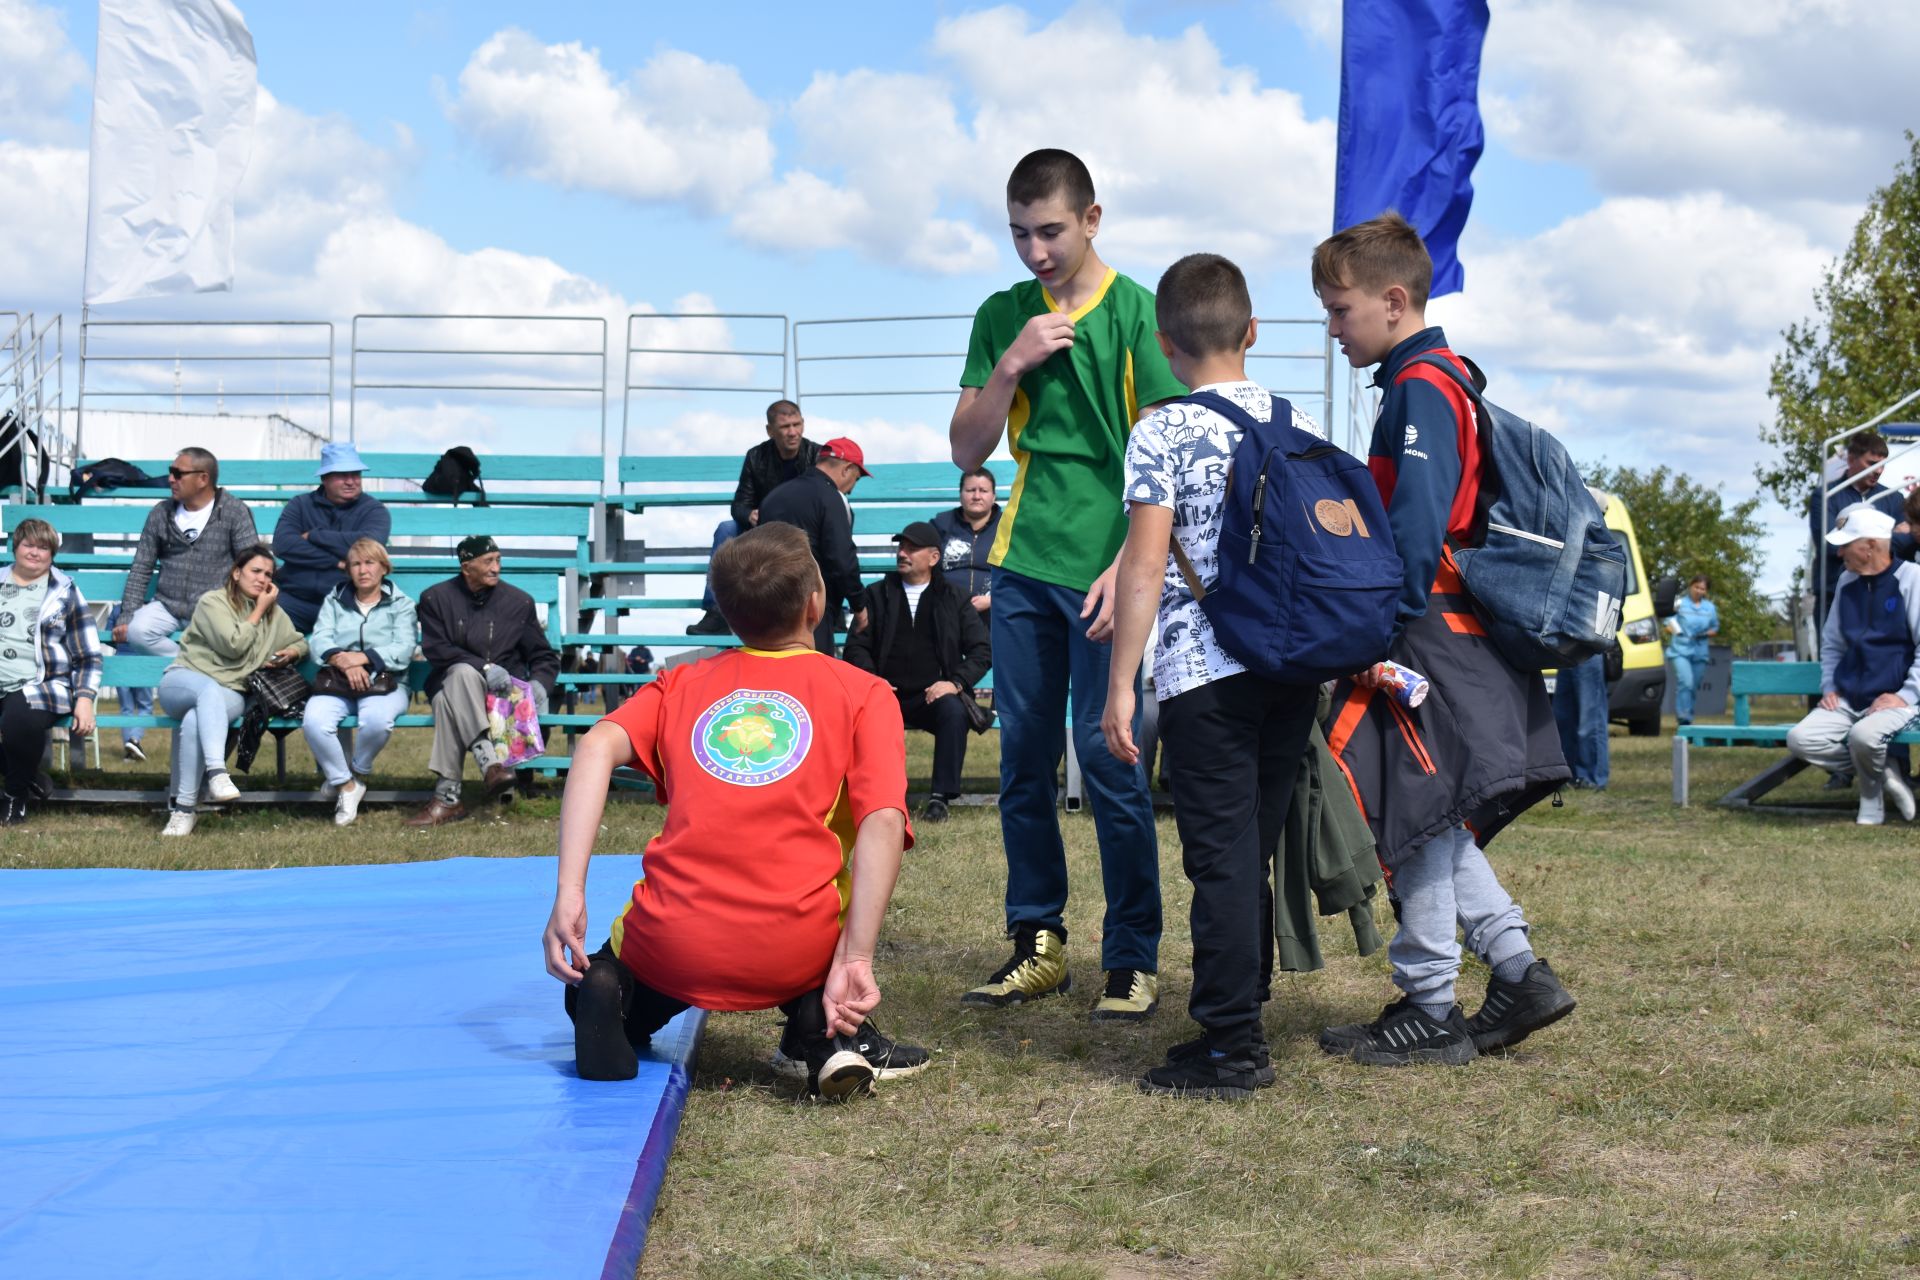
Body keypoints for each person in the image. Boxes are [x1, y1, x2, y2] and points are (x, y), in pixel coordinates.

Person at [1315, 212, 1576, 1066]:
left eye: (1341, 309)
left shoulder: (1424, 386)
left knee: (1419, 814)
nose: (1333, 326)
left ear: (1395, 301)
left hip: (1424, 626)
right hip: (1442, 623)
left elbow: (1419, 523)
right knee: (1440, 815)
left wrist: (1374, 630)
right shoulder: (1435, 379)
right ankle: (1517, 970)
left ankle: (1430, 1003)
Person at [541, 523, 928, 1095]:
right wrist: (858, 955)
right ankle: (821, 1027)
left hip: (671, 941)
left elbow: (596, 746)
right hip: (791, 943)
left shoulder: (682, 682)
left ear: (723, 609)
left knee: (615, 975)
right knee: (821, 931)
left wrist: (570, 893)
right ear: (815, 603)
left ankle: (607, 993)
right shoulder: (863, 692)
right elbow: (883, 821)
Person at [949, 148, 1185, 1021]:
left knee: (1111, 759)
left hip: (1110, 569)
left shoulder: (1137, 312)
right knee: (1022, 765)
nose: (1035, 251)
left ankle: (1130, 956)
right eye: (1018, 233)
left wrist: (1126, 560)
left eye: (1050, 230)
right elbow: (966, 449)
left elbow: (1160, 455)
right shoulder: (1002, 314)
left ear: (1092, 218)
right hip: (1021, 564)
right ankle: (1036, 942)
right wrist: (1010, 363)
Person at [1101, 253, 1326, 1098]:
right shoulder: (1300, 419)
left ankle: (1234, 1047)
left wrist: (1122, 683)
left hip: (1205, 669)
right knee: (1252, 848)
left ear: (1164, 345)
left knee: (1220, 861)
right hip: (1290, 661)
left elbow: (1145, 565)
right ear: (1253, 332)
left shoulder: (1161, 430)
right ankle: (1239, 1015)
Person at [114, 447, 258, 764]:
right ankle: (196, 670)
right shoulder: (161, 512)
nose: (170, 479)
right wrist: (126, 614)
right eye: (171, 471)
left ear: (203, 478)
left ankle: (192, 675)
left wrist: (246, 612)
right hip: (166, 604)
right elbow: (141, 567)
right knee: (138, 631)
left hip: (214, 610)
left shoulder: (233, 512)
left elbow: (252, 565)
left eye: (178, 473)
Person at [843, 520, 992, 824]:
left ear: (934, 557)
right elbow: (856, 648)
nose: (903, 553)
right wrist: (874, 680)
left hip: (932, 695)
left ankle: (940, 798)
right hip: (886, 693)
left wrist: (955, 682)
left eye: (912, 548)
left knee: (953, 711)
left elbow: (981, 650)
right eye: (901, 547)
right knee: (863, 714)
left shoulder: (954, 597)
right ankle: (878, 795)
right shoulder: (876, 594)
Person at [407, 535, 559, 827]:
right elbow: (438, 650)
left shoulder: (518, 602)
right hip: (450, 680)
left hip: (500, 695)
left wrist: (540, 684)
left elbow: (543, 655)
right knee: (462, 674)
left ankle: (447, 798)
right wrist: (485, 666)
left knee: (447, 707)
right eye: (488, 561)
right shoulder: (435, 598)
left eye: (499, 560)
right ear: (467, 567)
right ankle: (490, 763)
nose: (496, 568)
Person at [157, 544, 307, 836]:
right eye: (255, 571)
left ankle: (184, 810)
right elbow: (233, 644)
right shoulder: (213, 602)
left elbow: (300, 641)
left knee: (194, 721)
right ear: (237, 573)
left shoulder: (274, 615)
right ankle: (217, 773)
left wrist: (291, 652)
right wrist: (260, 610)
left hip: (231, 693)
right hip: (184, 681)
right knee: (206, 690)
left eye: (268, 574)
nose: (262, 579)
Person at [1786, 505, 1920, 825]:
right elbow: (1832, 644)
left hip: (1895, 700)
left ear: (1871, 545)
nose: (1839, 552)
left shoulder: (1912, 579)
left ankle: (1870, 799)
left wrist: (1907, 695)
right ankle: (1880, 772)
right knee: (1800, 739)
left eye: (1846, 544)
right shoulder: (1846, 582)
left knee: (1863, 737)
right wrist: (1830, 687)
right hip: (1848, 697)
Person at [300, 539, 419, 827]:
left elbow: (403, 649)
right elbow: (319, 642)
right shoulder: (334, 599)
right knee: (314, 721)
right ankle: (347, 786)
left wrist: (362, 659)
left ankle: (354, 773)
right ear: (349, 569)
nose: (363, 570)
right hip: (338, 681)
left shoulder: (401, 604)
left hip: (387, 682)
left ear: (384, 568)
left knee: (377, 721)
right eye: (356, 564)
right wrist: (344, 661)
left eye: (370, 563)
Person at [687, 400, 823, 635]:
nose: (793, 432)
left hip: (802, 529)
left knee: (826, 532)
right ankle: (716, 612)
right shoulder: (756, 456)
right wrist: (749, 514)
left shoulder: (816, 454)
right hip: (761, 529)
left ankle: (829, 608)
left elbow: (823, 501)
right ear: (770, 431)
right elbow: (739, 503)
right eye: (785, 427)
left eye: (796, 424)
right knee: (726, 528)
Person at [0, 518, 102, 826]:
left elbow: (88, 654)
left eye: (43, 547)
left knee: (18, 720)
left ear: (52, 554)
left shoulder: (65, 592)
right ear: (15, 547)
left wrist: (84, 698)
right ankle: (27, 774)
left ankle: (15, 795)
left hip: (41, 684)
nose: (34, 553)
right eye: (28, 545)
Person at [757, 437, 872, 656]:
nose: (851, 490)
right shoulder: (831, 498)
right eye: (856, 479)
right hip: (811, 609)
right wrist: (859, 605)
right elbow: (841, 558)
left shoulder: (773, 496)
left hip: (769, 604)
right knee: (813, 680)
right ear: (847, 469)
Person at [273, 442, 393, 634]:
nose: (351, 481)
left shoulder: (374, 510)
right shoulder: (300, 504)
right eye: (342, 475)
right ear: (324, 478)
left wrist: (314, 535)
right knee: (262, 627)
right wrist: (336, 561)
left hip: (346, 604)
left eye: (355, 474)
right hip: (293, 601)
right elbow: (283, 545)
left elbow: (369, 547)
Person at [1810, 432, 1903, 632]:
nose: (1878, 470)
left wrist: (1852, 539)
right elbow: (1830, 545)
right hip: (1834, 593)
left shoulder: (1894, 498)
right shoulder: (1825, 496)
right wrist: (1883, 541)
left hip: (1883, 595)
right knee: (1832, 659)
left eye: (1882, 464)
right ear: (1851, 459)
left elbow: (1907, 543)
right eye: (1871, 463)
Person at [930, 468, 1002, 613]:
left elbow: (1020, 576)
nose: (976, 496)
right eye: (970, 490)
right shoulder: (941, 524)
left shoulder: (1007, 527)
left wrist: (994, 600)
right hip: (946, 609)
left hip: (994, 611)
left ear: (993, 496)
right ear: (960, 494)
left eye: (983, 490)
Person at [1551, 653, 1611, 789]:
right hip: (1565, 651)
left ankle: (1592, 778)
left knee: (1590, 721)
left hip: (1588, 651)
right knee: (1563, 720)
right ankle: (1568, 775)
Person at [1667, 574, 1720, 727]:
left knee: (1694, 685)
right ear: (1690, 586)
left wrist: (1705, 633)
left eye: (1702, 589)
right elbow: (1668, 622)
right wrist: (1677, 631)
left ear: (1706, 591)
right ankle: (1683, 718)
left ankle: (1688, 716)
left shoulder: (1710, 608)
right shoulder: (1679, 603)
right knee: (1686, 682)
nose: (1698, 591)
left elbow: (1715, 627)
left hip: (1700, 651)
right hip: (1680, 650)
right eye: (1696, 587)